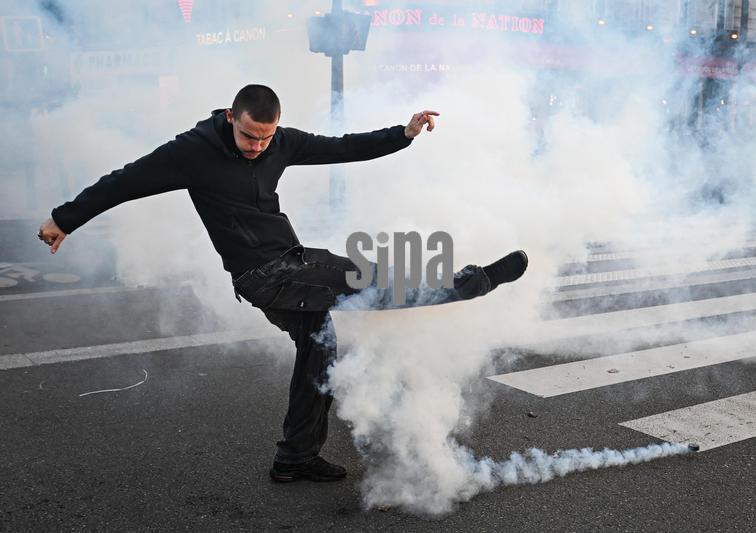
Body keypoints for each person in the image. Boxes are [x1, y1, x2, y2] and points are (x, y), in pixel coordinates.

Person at [38, 84, 528, 483]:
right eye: (250, 136)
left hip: (292, 265)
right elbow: (124, 181)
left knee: (321, 350)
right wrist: (65, 218)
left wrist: (403, 133)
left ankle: (295, 458)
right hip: (266, 276)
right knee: (376, 280)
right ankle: (471, 283)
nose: (257, 147)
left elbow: (343, 147)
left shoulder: (281, 142)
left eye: (265, 139)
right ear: (231, 116)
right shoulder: (191, 152)